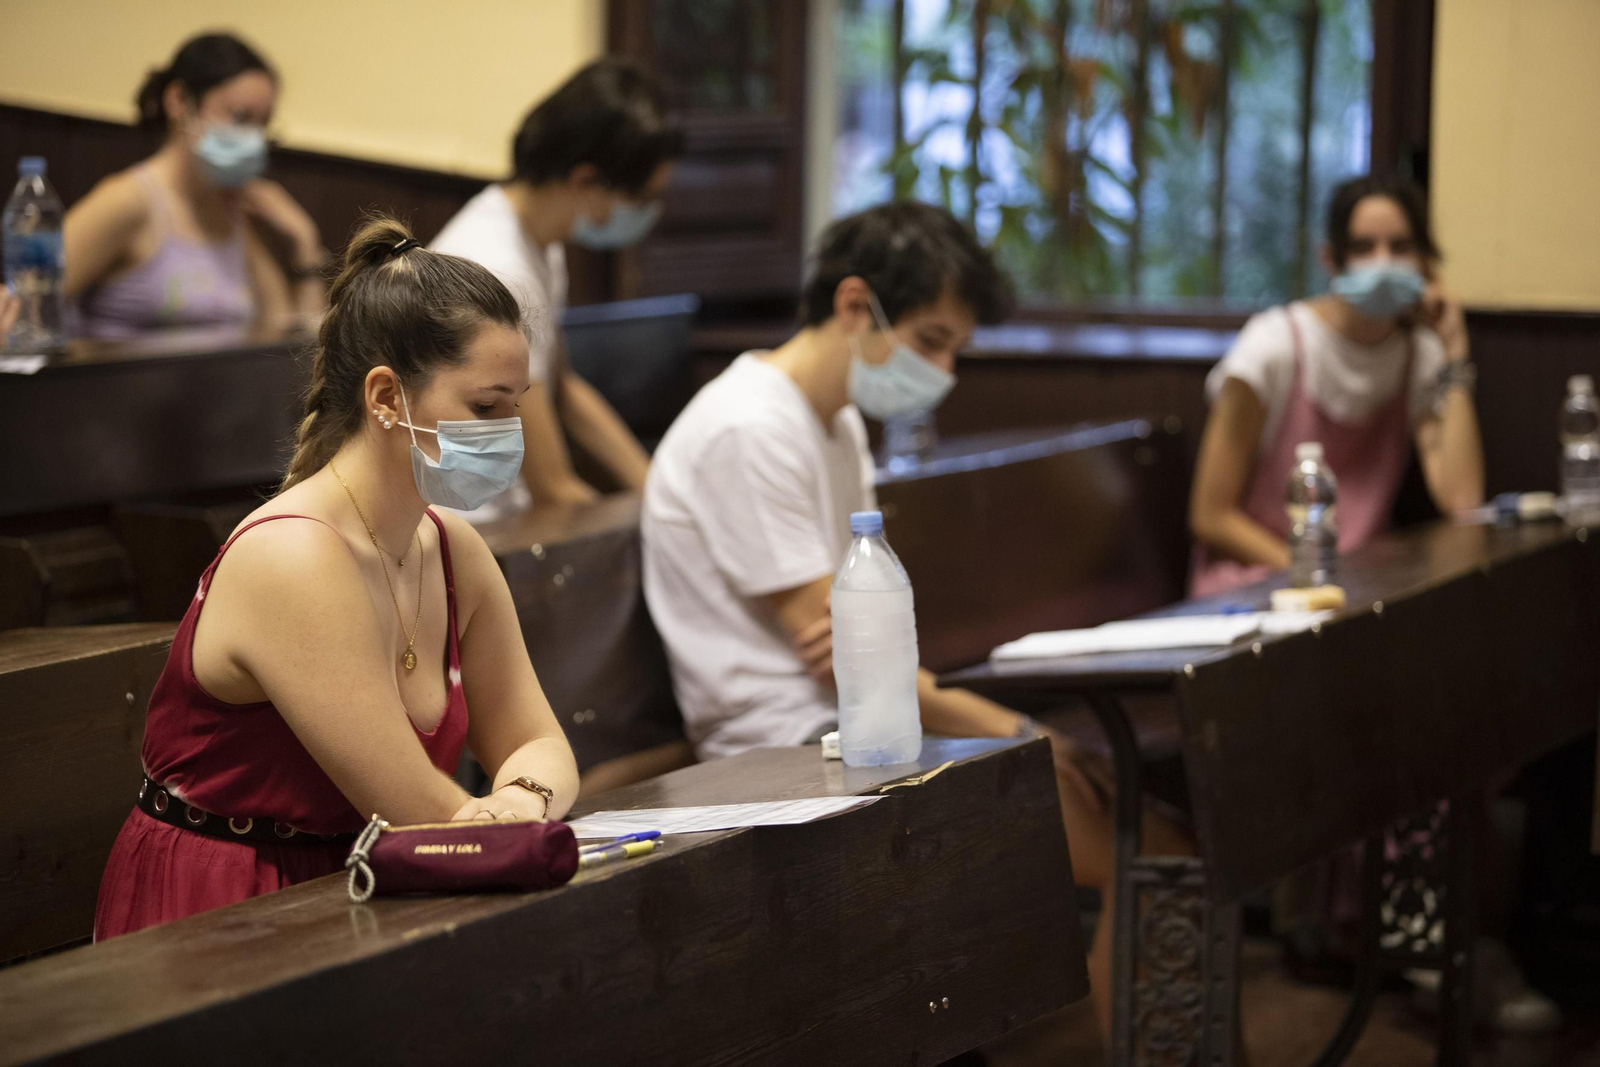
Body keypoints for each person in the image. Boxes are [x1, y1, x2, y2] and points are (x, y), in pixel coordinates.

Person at [641, 200, 1189, 1037]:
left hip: (862, 724)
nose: (943, 370)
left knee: (1147, 841)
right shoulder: (748, 425)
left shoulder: (834, 424)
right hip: (787, 748)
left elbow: (860, 636)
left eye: (954, 350)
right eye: (932, 340)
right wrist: (1010, 725)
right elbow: (848, 657)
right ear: (855, 304)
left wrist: (908, 669)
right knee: (1139, 851)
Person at [94, 218, 578, 939]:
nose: (511, 432)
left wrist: (520, 800)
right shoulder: (293, 557)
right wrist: (499, 817)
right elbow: (416, 806)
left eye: (517, 404)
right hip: (228, 902)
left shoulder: (454, 548)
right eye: (486, 407)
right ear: (386, 397)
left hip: (372, 879)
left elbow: (541, 743)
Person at [1189, 175, 1485, 595]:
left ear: (1423, 261)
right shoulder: (1273, 346)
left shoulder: (1419, 354)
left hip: (1356, 593)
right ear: (1331, 259)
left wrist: (1455, 351)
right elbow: (1210, 514)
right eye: (1364, 248)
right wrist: (1317, 573)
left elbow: (1463, 500)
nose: (1382, 264)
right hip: (1254, 586)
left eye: (1400, 248)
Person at [430, 58, 685, 522]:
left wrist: (658, 490)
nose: (649, 213)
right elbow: (553, 487)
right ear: (585, 179)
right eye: (642, 198)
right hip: (472, 529)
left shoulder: (537, 242)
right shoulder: (499, 268)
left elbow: (562, 386)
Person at [64, 32, 326, 339]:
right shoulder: (127, 200)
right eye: (240, 117)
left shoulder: (235, 206)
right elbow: (27, 307)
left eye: (263, 124)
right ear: (179, 101)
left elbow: (288, 339)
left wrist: (304, 243)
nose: (253, 138)